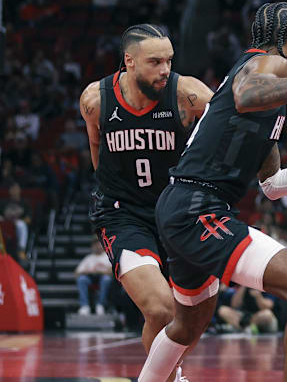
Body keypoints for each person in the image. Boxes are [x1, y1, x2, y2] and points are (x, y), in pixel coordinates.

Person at [137, 2, 287, 382]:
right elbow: (247, 95)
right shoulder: (270, 65)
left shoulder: (267, 94)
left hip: (181, 206)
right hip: (197, 208)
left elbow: (273, 185)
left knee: (187, 327)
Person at [79, 23, 214, 382]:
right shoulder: (96, 100)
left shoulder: (188, 94)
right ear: (129, 62)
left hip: (176, 212)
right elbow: (97, 149)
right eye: (155, 62)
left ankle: (169, 373)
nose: (165, 70)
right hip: (123, 215)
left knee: (189, 318)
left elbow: (226, 129)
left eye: (169, 60)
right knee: (161, 308)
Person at [75, 240, 113, 315]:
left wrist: (100, 271)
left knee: (106, 279)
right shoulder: (89, 258)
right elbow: (76, 273)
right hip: (90, 278)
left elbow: (113, 272)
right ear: (92, 247)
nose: (97, 247)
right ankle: (84, 305)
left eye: (99, 245)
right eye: (95, 245)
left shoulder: (107, 256)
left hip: (103, 277)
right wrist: (87, 271)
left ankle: (101, 305)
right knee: (81, 279)